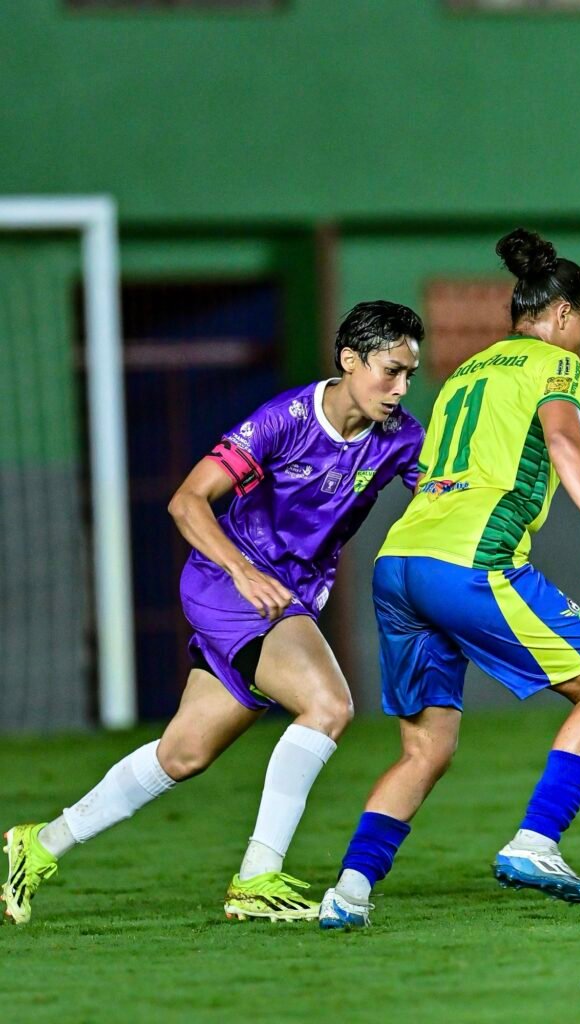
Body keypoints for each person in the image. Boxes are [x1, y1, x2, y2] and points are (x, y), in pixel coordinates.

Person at [2, 300, 425, 926]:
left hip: (286, 597)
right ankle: (257, 875)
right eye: (390, 371)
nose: (400, 388)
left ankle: (35, 846)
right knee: (329, 705)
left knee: (183, 754)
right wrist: (243, 569)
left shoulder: (402, 437)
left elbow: (441, 501)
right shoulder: (284, 420)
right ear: (349, 360)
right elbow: (186, 501)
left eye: (410, 374)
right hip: (231, 584)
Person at [317, 229, 580, 930]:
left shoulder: (468, 368)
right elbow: (560, 436)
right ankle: (536, 841)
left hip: (399, 562)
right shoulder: (555, 364)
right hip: (469, 561)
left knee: (426, 747)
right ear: (558, 316)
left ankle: (348, 891)